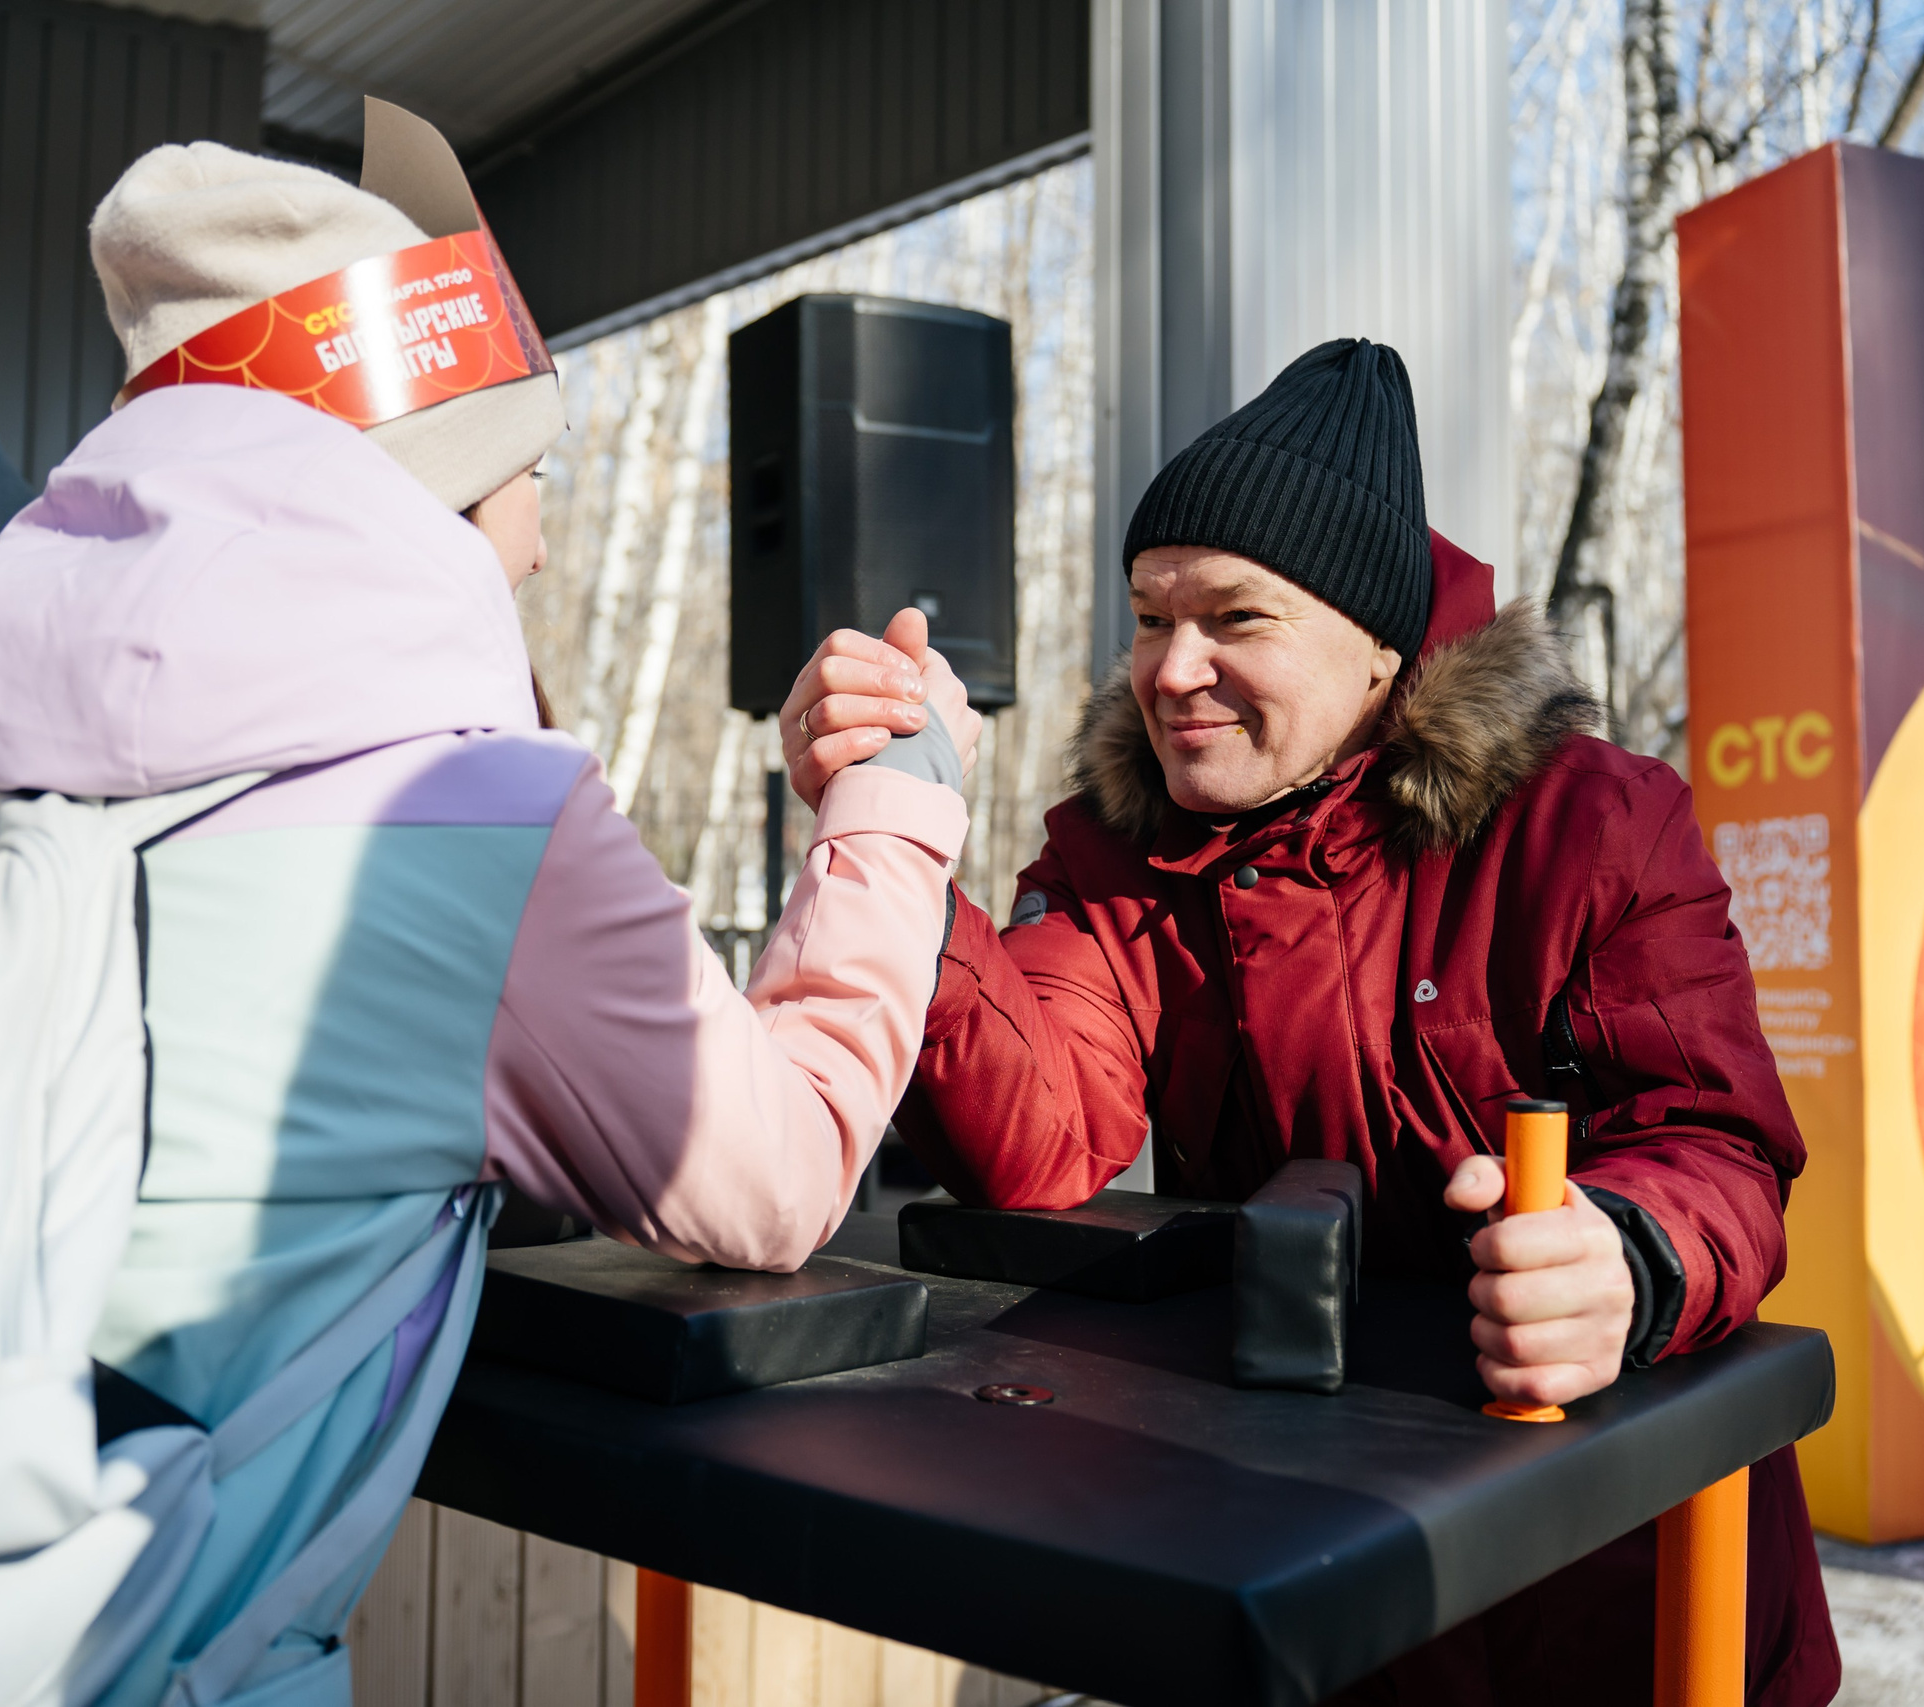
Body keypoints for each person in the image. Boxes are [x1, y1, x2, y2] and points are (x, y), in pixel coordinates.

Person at [0, 136, 978, 1703]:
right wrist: (900, 802)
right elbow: (779, 1169)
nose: (543, 540)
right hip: (164, 1650)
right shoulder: (467, 831)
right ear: (421, 483)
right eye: (529, 473)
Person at [780, 339, 1838, 1706]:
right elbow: (1038, 1138)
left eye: (1235, 617)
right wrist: (897, 843)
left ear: (1384, 648)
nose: (1170, 668)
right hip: (1293, 1580)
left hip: (1614, 1591)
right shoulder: (1119, 851)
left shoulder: (1593, 822)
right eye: (1152, 616)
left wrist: (1626, 1260)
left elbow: (1719, 1142)